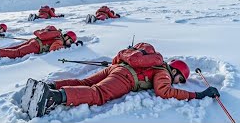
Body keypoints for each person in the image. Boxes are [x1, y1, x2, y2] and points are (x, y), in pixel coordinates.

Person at [20, 42, 220, 119]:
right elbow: (164, 91)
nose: (177, 82)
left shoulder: (155, 64)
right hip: (125, 77)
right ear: (175, 71)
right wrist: (198, 94)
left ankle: (49, 86)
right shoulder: (163, 71)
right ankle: (53, 97)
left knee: (86, 83)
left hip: (116, 67)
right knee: (98, 94)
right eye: (180, 78)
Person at [0, 25, 82, 63]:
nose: (70, 43)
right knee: (16, 53)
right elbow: (53, 49)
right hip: (35, 46)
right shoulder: (59, 40)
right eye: (71, 41)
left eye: (71, 42)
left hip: (34, 41)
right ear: (67, 37)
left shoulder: (58, 36)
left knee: (15, 48)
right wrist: (66, 47)